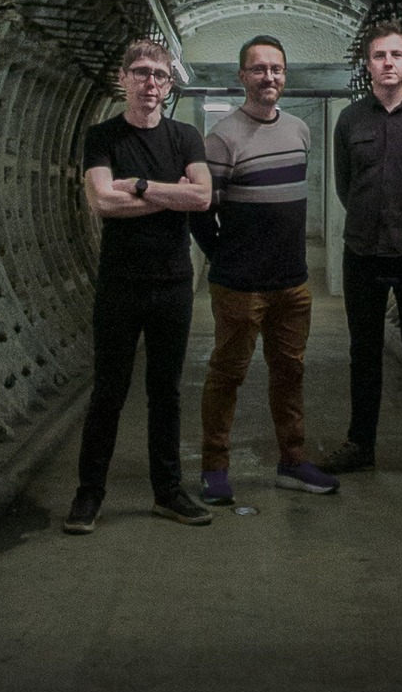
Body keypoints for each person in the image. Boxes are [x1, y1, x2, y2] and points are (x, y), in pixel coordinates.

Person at [65, 39, 217, 534]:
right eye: (142, 73)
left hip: (173, 282)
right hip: (120, 284)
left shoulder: (185, 136)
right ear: (123, 78)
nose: (151, 83)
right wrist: (171, 194)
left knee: (165, 393)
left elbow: (202, 198)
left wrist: (141, 186)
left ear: (170, 85)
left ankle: (168, 492)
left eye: (161, 75)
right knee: (108, 391)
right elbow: (102, 203)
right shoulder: (102, 135)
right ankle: (89, 494)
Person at [191, 37, 340, 502]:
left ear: (285, 75)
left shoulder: (299, 130)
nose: (269, 77)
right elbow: (201, 212)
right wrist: (226, 259)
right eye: (258, 69)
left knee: (290, 373)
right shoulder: (222, 137)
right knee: (226, 375)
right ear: (242, 77)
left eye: (276, 69)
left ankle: (292, 462)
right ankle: (215, 468)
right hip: (240, 286)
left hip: (292, 283)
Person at [318, 23, 402, 484]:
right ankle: (361, 443)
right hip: (363, 250)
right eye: (379, 56)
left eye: (397, 55)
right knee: (364, 351)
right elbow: (345, 185)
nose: (388, 63)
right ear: (368, 64)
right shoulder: (351, 119)